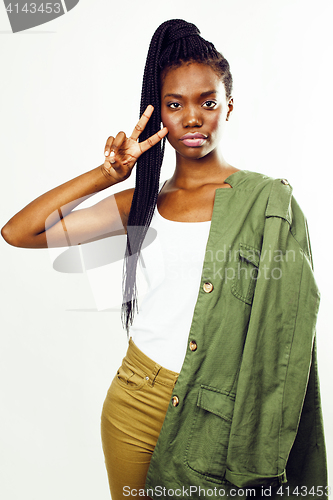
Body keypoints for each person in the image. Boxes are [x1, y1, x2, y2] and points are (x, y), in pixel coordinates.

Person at [1, 19, 327, 500]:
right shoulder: (141, 204)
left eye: (207, 102)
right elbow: (19, 232)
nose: (192, 118)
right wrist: (106, 174)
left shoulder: (267, 204)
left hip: (219, 411)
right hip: (135, 400)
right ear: (159, 117)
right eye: (175, 105)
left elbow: (286, 336)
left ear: (229, 107)